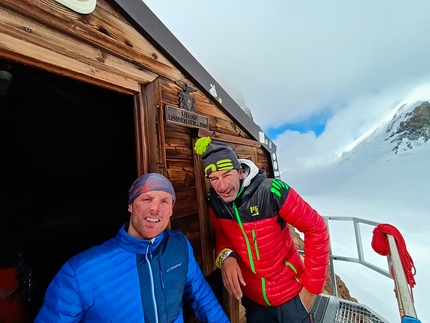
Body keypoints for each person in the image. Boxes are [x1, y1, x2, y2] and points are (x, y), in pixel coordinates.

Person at [35, 173, 229, 323]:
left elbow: (204, 299)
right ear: (130, 206)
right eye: (146, 199)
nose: (155, 208)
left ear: (171, 210)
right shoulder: (80, 271)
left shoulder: (179, 245)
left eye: (164, 201)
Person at [194, 137, 330, 323]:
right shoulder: (215, 200)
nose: (222, 186)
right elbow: (221, 233)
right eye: (214, 179)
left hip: (292, 297)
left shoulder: (272, 190)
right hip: (254, 302)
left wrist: (312, 290)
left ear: (240, 172)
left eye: (227, 175)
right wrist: (226, 256)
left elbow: (317, 228)